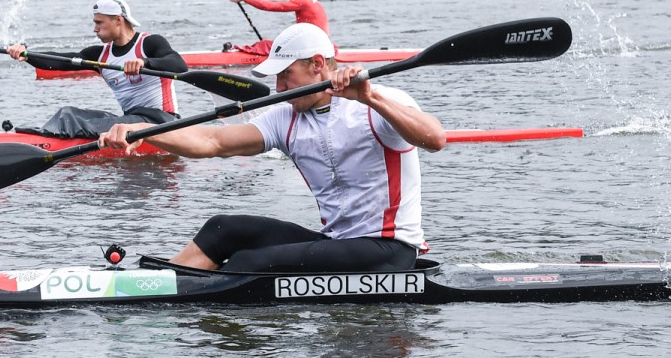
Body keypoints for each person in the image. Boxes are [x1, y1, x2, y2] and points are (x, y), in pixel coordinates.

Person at [99, 23, 445, 273]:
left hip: (390, 249)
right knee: (224, 229)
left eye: (285, 75)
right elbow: (211, 142)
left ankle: (200, 302)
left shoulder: (380, 103)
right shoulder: (286, 117)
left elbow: (434, 139)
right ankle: (160, 287)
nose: (278, 87)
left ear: (317, 65)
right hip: (337, 242)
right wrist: (143, 130)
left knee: (249, 263)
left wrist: (371, 97)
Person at [6, 0, 188, 138]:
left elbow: (179, 65)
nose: (95, 29)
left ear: (118, 20)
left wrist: (145, 62)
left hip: (162, 122)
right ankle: (46, 138)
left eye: (99, 22)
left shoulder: (149, 43)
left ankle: (52, 138)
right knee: (68, 115)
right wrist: (26, 54)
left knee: (92, 125)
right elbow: (60, 61)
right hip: (131, 121)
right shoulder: (100, 55)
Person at [228, 0, 330, 56]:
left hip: (312, 48)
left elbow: (269, 6)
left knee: (264, 45)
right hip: (319, 44)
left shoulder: (303, 2)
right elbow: (274, 3)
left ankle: (239, 52)